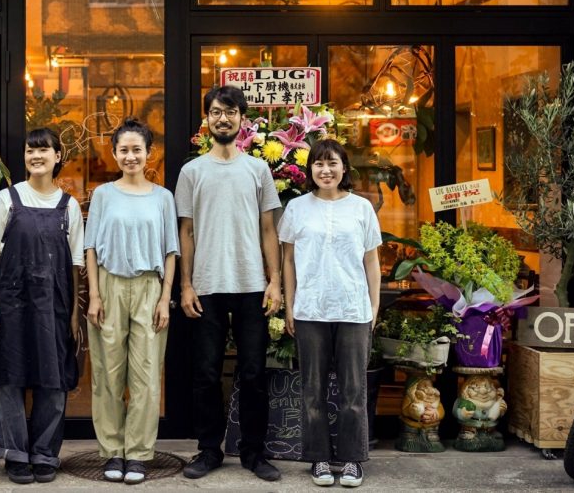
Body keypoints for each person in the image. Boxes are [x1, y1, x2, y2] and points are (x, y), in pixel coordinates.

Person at [176, 84, 283, 482]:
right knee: (205, 372)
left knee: (253, 372)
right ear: (206, 119)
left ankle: (254, 452)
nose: (224, 118)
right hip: (206, 285)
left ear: (242, 119)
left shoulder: (258, 169)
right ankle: (208, 449)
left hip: (252, 283)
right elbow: (185, 232)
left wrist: (275, 282)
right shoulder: (192, 171)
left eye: (231, 112)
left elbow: (269, 228)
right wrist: (186, 285)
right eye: (217, 112)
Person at [0, 128, 83, 485]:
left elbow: (74, 267)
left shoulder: (69, 206)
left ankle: (45, 453)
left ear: (57, 156)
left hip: (53, 306)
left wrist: (73, 315)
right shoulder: (6, 199)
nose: (36, 156)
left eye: (43, 150)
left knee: (52, 381)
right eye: (30, 150)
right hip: (10, 304)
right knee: (9, 379)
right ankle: (15, 454)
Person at [279, 139, 381, 488]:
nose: (326, 170)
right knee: (313, 390)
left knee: (354, 390)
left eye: (332, 163)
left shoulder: (361, 208)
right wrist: (290, 305)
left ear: (344, 168)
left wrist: (374, 307)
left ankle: (352, 460)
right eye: (319, 164)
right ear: (310, 171)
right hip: (310, 309)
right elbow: (288, 261)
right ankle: (319, 458)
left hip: (353, 309)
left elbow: (371, 261)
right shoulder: (296, 208)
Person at [84, 118, 178, 485]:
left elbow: (171, 250)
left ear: (148, 152)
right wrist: (93, 294)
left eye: (137, 149)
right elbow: (90, 247)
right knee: (108, 373)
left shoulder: (163, 197)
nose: (130, 156)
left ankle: (138, 454)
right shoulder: (104, 195)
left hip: (149, 287)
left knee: (146, 373)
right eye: (123, 149)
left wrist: (164, 296)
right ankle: (111, 451)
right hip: (108, 285)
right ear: (114, 153)